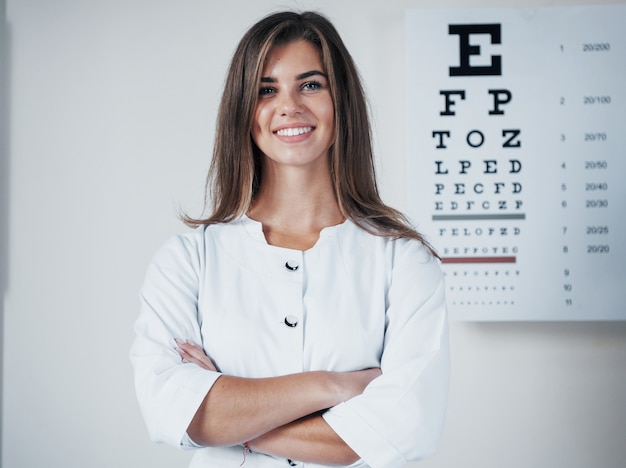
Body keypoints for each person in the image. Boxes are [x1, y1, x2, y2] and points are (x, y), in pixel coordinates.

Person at [130, 10, 449, 468]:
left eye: (311, 84)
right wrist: (333, 386)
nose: (290, 105)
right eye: (266, 89)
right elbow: (170, 411)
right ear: (244, 108)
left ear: (341, 100)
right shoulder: (187, 262)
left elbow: (398, 431)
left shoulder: (404, 262)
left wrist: (231, 418)